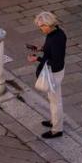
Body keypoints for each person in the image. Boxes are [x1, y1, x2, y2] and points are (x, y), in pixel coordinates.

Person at [26, 11, 66, 139]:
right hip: (54, 71)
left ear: (48, 24)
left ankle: (57, 129)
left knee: (55, 102)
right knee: (52, 99)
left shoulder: (56, 38)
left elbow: (55, 60)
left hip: (54, 73)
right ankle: (54, 121)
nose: (41, 29)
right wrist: (40, 49)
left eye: (42, 26)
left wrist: (36, 59)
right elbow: (50, 49)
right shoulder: (55, 32)